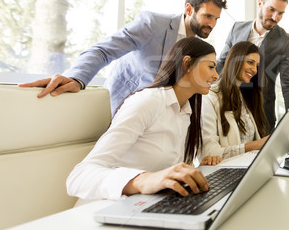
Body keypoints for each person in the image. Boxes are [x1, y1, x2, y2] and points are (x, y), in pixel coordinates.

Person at [20, 0, 227, 114]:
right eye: (208, 16)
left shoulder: (200, 48)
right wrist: (76, 78)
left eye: (216, 19)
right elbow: (104, 50)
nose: (212, 24)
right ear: (189, 9)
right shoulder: (152, 24)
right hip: (121, 112)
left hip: (161, 120)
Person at [66, 37, 220, 201]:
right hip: (106, 209)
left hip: (146, 206)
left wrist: (195, 173)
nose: (216, 76)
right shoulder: (148, 102)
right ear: (187, 64)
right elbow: (78, 177)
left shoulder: (186, 112)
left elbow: (165, 173)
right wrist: (142, 180)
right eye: (211, 67)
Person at [216, 0, 289, 131]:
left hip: (261, 111)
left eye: (280, 13)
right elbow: (222, 63)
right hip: (229, 106)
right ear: (260, 3)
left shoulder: (286, 40)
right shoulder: (237, 28)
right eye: (271, 10)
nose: (275, 17)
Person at [201, 41, 269, 162]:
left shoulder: (244, 97)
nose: (254, 70)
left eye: (257, 66)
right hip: (226, 171)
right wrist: (255, 145)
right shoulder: (210, 97)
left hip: (251, 167)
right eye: (250, 62)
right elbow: (209, 153)